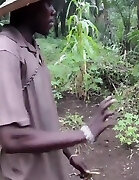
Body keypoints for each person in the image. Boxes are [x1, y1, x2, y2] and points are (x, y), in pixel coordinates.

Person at [0, 0, 116, 179]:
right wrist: (86, 133)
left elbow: (43, 118)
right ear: (26, 6)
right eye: (47, 3)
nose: (53, 11)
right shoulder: (7, 51)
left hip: (47, 171)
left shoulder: (32, 48)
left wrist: (70, 154)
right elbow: (12, 138)